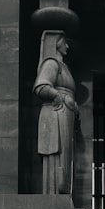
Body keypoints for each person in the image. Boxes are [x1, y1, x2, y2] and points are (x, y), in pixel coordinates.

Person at [33, 30, 77, 194]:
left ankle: (63, 191)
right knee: (57, 155)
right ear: (56, 44)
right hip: (57, 112)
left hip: (66, 113)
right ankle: (53, 192)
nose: (66, 46)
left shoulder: (64, 66)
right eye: (64, 42)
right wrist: (57, 95)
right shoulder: (51, 63)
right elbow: (41, 86)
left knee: (66, 157)